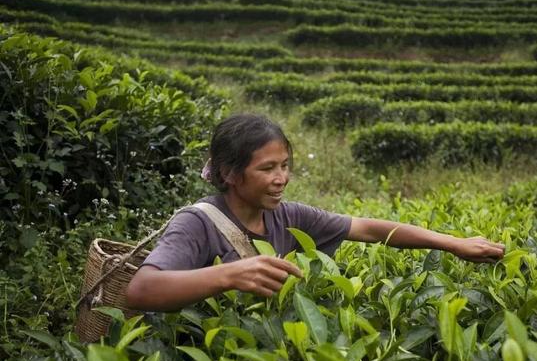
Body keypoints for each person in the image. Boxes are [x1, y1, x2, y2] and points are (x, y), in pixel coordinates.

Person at [126, 114, 505, 311]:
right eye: (267, 169)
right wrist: (228, 275)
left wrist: (453, 244)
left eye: (285, 165)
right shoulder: (196, 223)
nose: (281, 179)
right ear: (229, 173)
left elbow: (370, 229)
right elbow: (141, 291)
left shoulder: (289, 216)